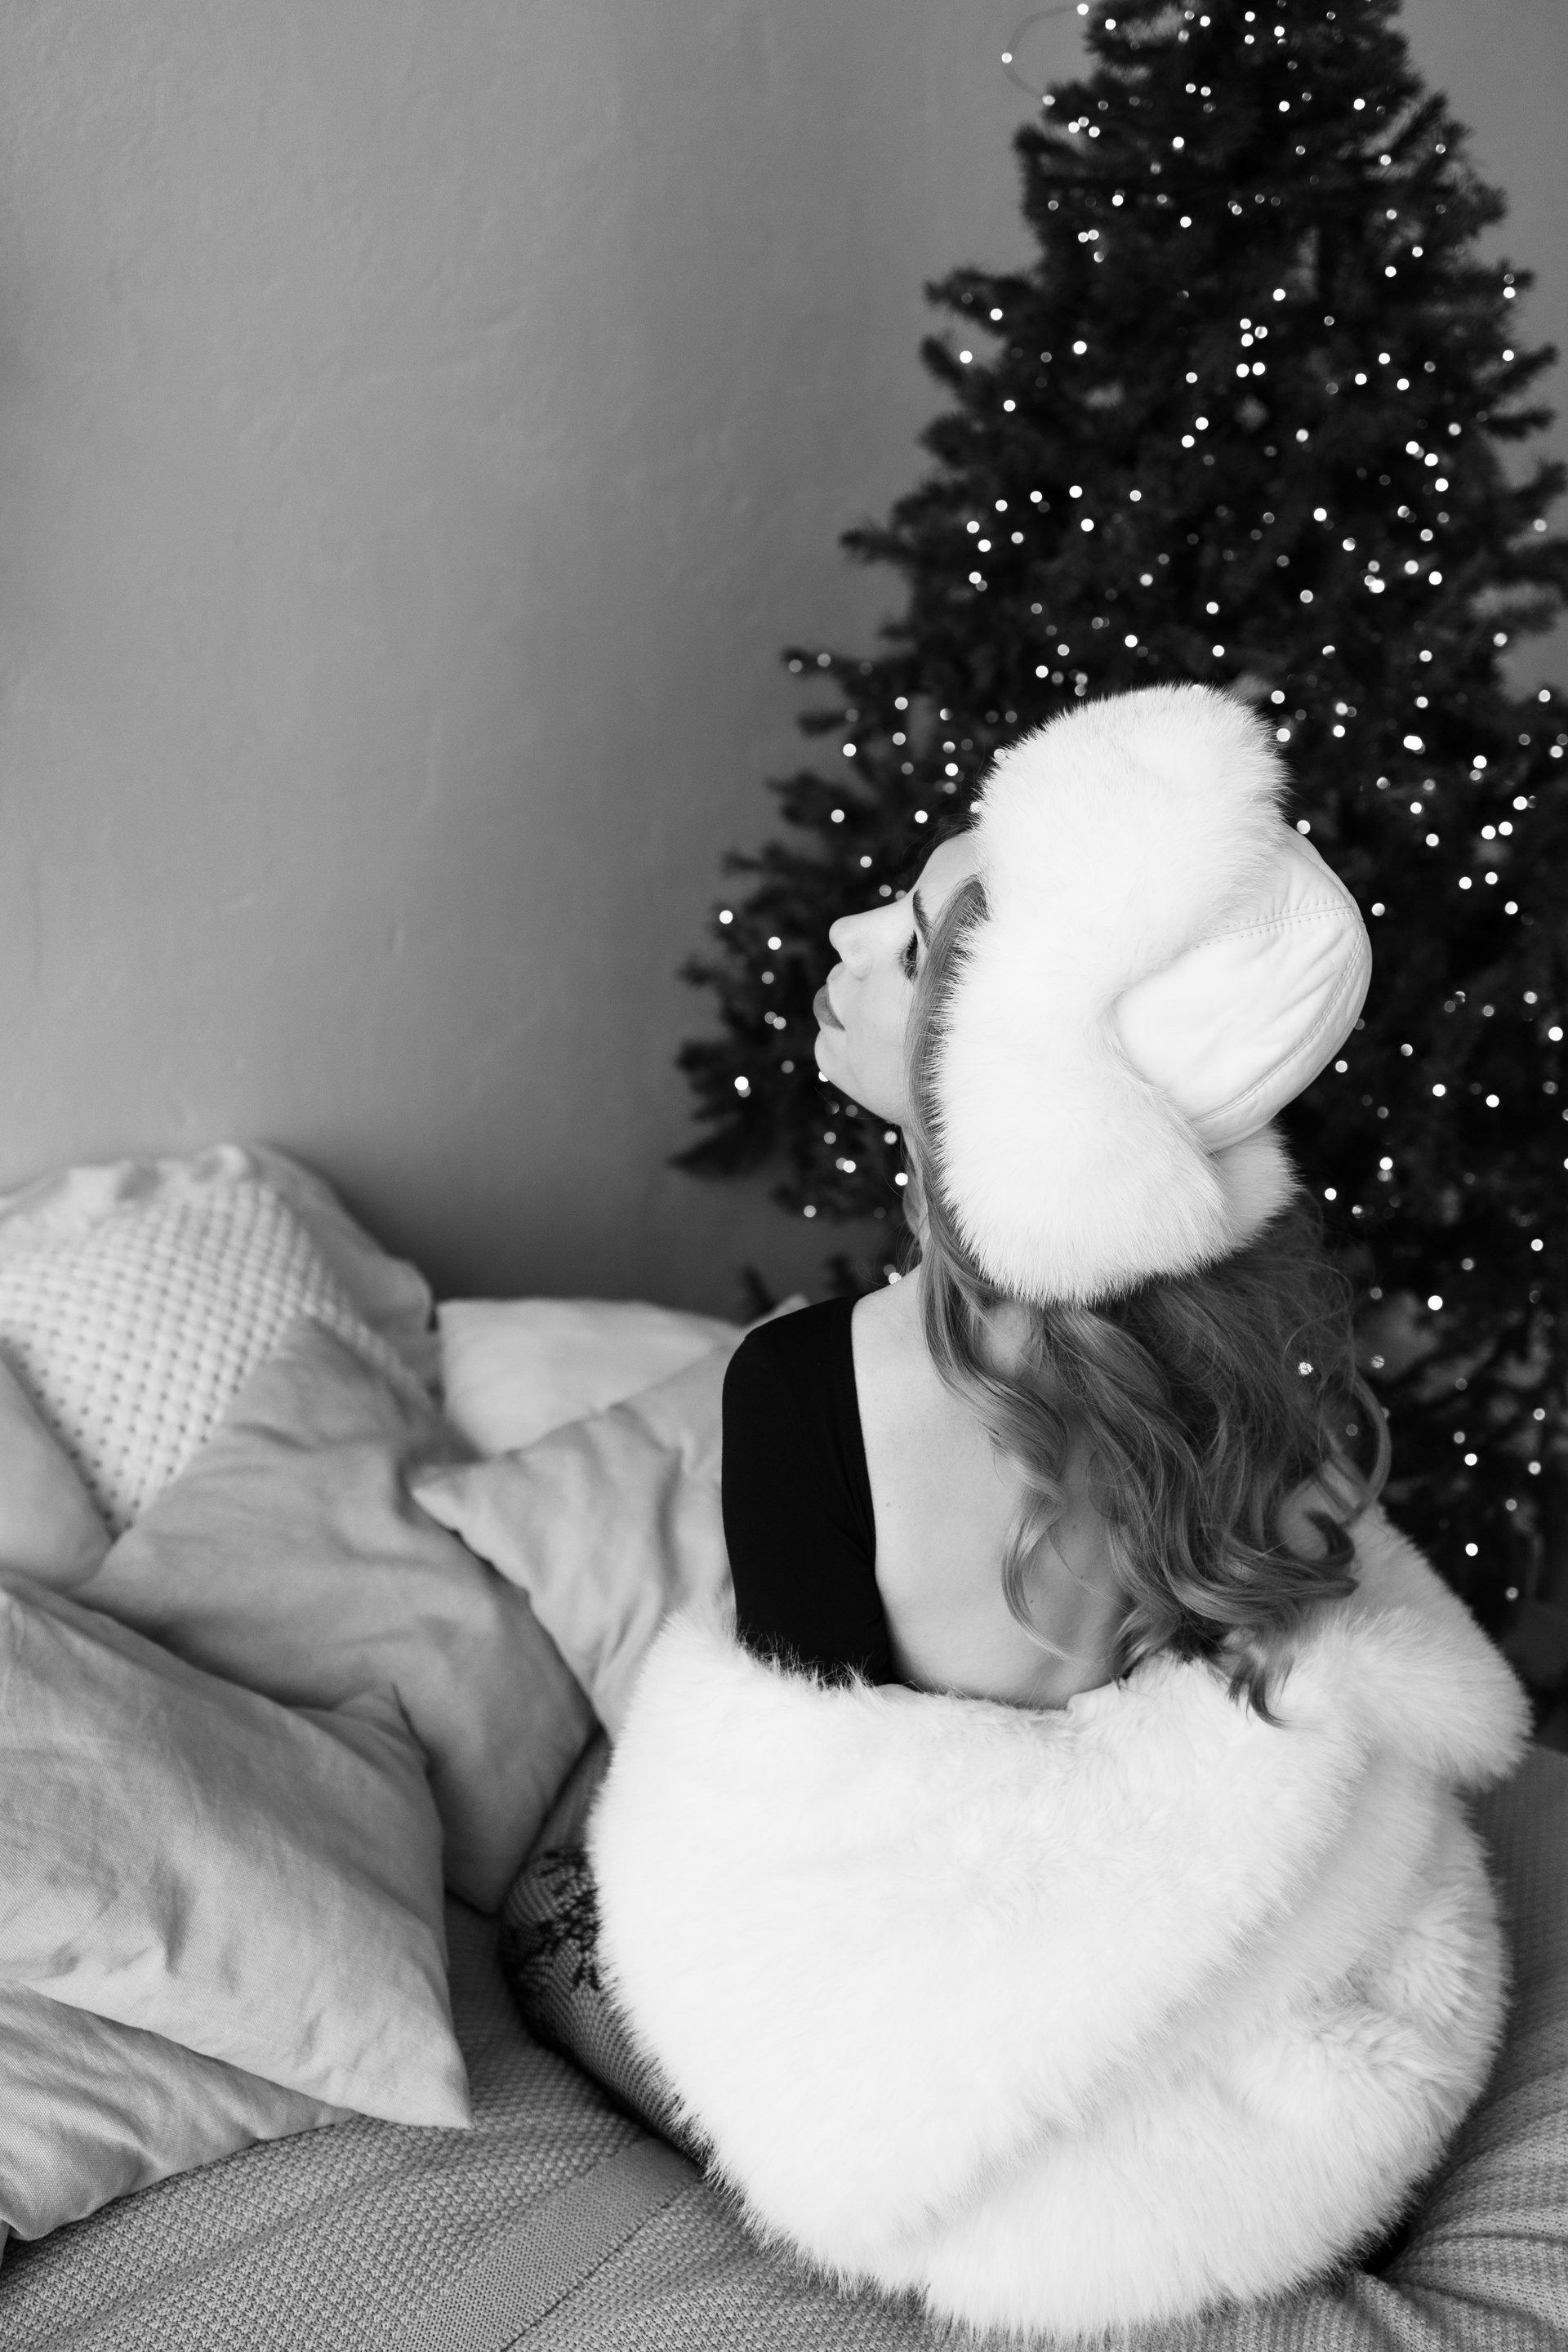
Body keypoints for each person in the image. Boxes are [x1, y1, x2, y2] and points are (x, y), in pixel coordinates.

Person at [590, 684, 1530, 2341]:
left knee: (565, 1922)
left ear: (1015, 1063)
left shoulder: (803, 1385)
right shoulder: (1249, 1365)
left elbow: (807, 1834)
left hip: (985, 2082)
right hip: (1240, 2077)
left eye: (917, 939)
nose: (852, 936)